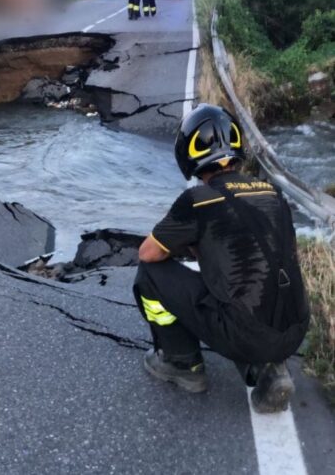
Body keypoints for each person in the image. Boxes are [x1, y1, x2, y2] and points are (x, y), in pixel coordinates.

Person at [133, 104, 310, 413]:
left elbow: (149, 252)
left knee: (149, 275)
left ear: (188, 155)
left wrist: (187, 245)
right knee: (247, 290)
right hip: (295, 329)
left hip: (246, 334)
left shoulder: (198, 200)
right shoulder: (272, 193)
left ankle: (183, 364)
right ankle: (268, 367)